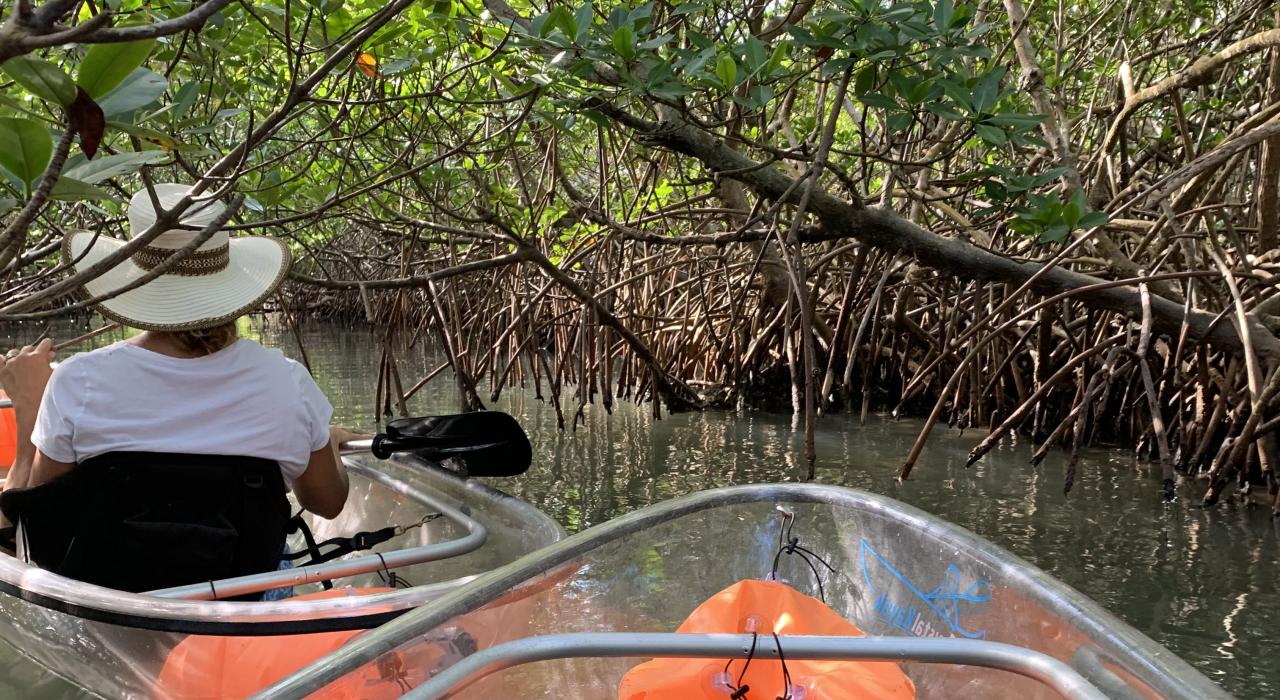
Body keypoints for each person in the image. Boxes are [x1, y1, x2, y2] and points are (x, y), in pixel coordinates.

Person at [0, 183, 353, 595]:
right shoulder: (286, 381)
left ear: (135, 278)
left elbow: (34, 524)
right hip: (242, 608)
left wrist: (30, 416)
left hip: (119, 607)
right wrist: (326, 437)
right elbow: (328, 502)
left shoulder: (78, 382)